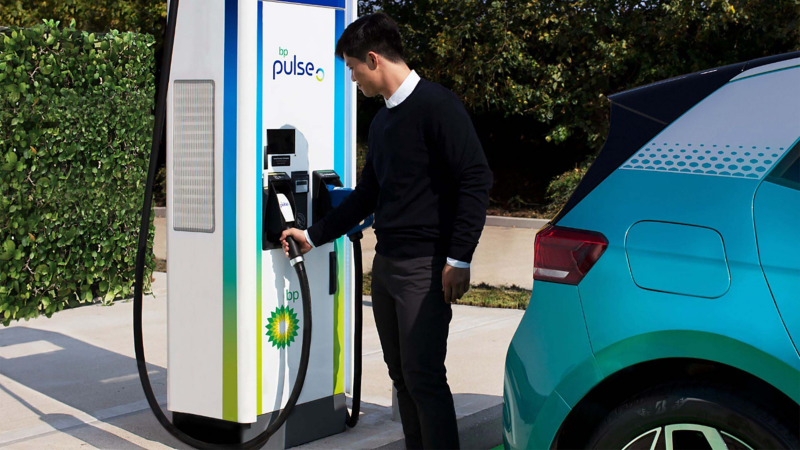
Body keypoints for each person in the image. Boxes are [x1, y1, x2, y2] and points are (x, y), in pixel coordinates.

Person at [280, 12, 492, 450]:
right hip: (389, 268)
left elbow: (476, 178)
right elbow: (365, 197)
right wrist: (313, 234)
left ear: (373, 59)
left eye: (353, 69)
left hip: (427, 269)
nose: (353, 78)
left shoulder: (439, 107)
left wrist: (459, 258)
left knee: (424, 379)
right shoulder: (382, 123)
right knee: (403, 379)